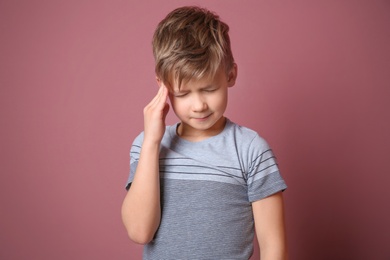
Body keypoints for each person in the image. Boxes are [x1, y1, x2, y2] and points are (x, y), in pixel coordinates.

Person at [121, 6, 288, 260]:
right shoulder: (147, 146)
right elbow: (139, 231)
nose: (199, 105)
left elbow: (273, 247)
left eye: (209, 89)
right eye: (183, 93)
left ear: (230, 75)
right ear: (163, 86)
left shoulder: (251, 150)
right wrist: (153, 142)